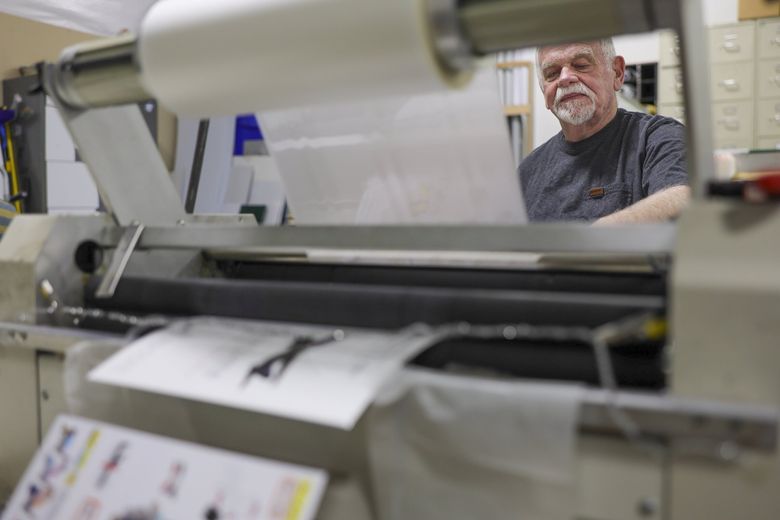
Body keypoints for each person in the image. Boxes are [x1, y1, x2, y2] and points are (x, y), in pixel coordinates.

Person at [518, 39, 690, 224]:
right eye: (552, 73)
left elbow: (684, 199)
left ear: (617, 73)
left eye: (581, 65)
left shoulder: (658, 138)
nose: (565, 78)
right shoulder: (528, 171)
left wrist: (593, 236)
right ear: (544, 91)